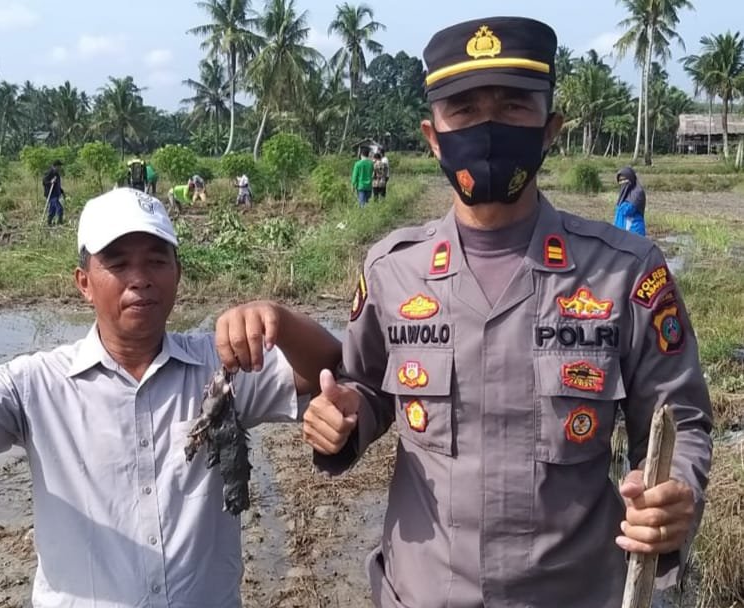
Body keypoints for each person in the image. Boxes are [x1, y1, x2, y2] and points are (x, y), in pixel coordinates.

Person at [302, 17, 713, 608]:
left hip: (575, 594)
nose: (488, 127)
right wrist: (341, 418)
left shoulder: (625, 272)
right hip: (421, 592)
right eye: (464, 109)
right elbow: (364, 386)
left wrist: (677, 494)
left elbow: (683, 420)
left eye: (514, 106)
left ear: (550, 129)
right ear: (433, 136)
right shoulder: (392, 270)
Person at [0, 187, 341, 608]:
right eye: (118, 264)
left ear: (178, 273)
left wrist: (278, 319)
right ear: (83, 282)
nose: (139, 279)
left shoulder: (224, 365)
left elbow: (326, 367)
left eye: (157, 261)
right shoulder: (36, 384)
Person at [615, 166, 647, 236]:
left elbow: (627, 210)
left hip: (634, 230)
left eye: (624, 179)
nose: (622, 182)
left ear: (630, 178)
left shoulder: (637, 193)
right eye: (620, 180)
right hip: (622, 232)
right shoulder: (624, 194)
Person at [42, 159, 66, 226]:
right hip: (51, 195)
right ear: (55, 166)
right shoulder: (49, 172)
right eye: (59, 166)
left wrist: (62, 192)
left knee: (53, 209)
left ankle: (49, 222)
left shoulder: (57, 174)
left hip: (56, 194)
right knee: (59, 208)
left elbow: (57, 185)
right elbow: (44, 182)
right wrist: (50, 182)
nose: (60, 168)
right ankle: (60, 222)